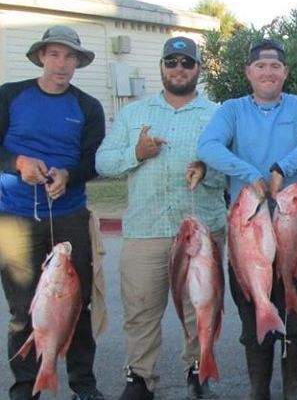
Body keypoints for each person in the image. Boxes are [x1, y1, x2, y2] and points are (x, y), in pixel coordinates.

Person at [197, 38, 297, 400]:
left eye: (275, 66)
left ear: (285, 72)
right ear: (248, 72)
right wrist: (249, 174)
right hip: (247, 236)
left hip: (292, 231)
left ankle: (292, 387)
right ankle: (259, 389)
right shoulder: (232, 110)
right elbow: (207, 147)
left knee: (294, 312)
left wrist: (280, 168)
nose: (268, 72)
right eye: (260, 66)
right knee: (252, 309)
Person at [95, 36, 226, 400]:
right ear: (162, 67)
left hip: (201, 227)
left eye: (187, 62)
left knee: (200, 306)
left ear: (198, 68)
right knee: (140, 308)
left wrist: (207, 169)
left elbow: (232, 169)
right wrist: (135, 153)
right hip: (146, 227)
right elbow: (103, 162)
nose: (179, 69)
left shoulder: (217, 115)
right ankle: (139, 377)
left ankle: (199, 370)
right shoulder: (133, 114)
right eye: (172, 62)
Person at [0, 25, 106, 400]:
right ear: (41, 56)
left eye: (70, 56)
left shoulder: (88, 106)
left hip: (69, 213)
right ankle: (26, 386)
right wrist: (17, 163)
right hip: (12, 215)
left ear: (78, 61)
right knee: (22, 307)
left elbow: (94, 161)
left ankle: (83, 383)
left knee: (75, 301)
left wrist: (69, 175)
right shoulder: (10, 96)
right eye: (55, 54)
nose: (62, 64)